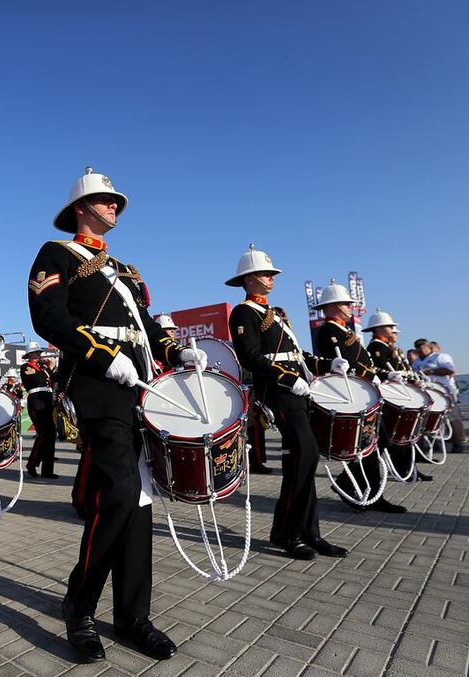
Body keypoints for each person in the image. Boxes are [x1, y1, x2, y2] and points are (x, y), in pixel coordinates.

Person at [28, 167, 205, 662]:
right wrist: (104, 356)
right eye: (106, 201)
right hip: (97, 386)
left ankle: (133, 617)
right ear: (82, 209)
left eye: (116, 203)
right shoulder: (56, 253)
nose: (115, 208)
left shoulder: (125, 268)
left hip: (142, 388)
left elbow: (147, 324)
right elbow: (49, 316)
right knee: (122, 491)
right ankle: (79, 604)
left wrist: (176, 352)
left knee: (140, 499)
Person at [226, 245, 349, 560]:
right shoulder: (244, 313)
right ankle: (286, 533)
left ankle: (308, 532)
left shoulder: (273, 315)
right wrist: (286, 379)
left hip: (298, 391)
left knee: (304, 460)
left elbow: (298, 356)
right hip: (280, 392)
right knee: (303, 456)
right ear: (250, 278)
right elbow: (250, 357)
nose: (272, 278)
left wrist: (326, 365)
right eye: (267, 273)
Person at [313, 283, 405, 513]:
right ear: (333, 306)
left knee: (377, 442)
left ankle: (354, 484)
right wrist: (367, 375)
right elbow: (345, 364)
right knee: (371, 444)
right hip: (353, 393)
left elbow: (363, 362)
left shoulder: (344, 331)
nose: (349, 307)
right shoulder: (329, 331)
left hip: (365, 392)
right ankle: (371, 493)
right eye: (345, 304)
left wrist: (377, 375)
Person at [364, 311, 433, 480]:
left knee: (407, 433)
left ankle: (410, 468)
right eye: (390, 327)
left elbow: (404, 370)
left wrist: (415, 380)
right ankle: (402, 469)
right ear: (378, 328)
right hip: (390, 395)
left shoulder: (391, 348)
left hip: (401, 392)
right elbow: (376, 369)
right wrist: (390, 375)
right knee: (397, 434)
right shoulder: (375, 347)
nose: (393, 330)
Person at [413, 338, 465, 453]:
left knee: (453, 417)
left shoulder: (440, 357)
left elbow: (450, 370)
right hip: (425, 393)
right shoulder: (416, 362)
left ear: (428, 347)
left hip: (442, 391)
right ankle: (434, 443)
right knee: (428, 419)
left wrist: (430, 371)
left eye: (422, 348)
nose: (419, 351)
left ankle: (459, 443)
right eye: (417, 349)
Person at [20, 342, 58, 479]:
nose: (38, 355)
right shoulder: (26, 367)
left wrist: (52, 368)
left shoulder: (42, 367)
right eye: (35, 353)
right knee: (43, 434)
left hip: (46, 400)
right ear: (29, 355)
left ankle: (47, 470)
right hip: (36, 401)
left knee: (51, 434)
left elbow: (54, 380)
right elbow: (37, 379)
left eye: (39, 353)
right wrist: (48, 369)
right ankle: (32, 463)